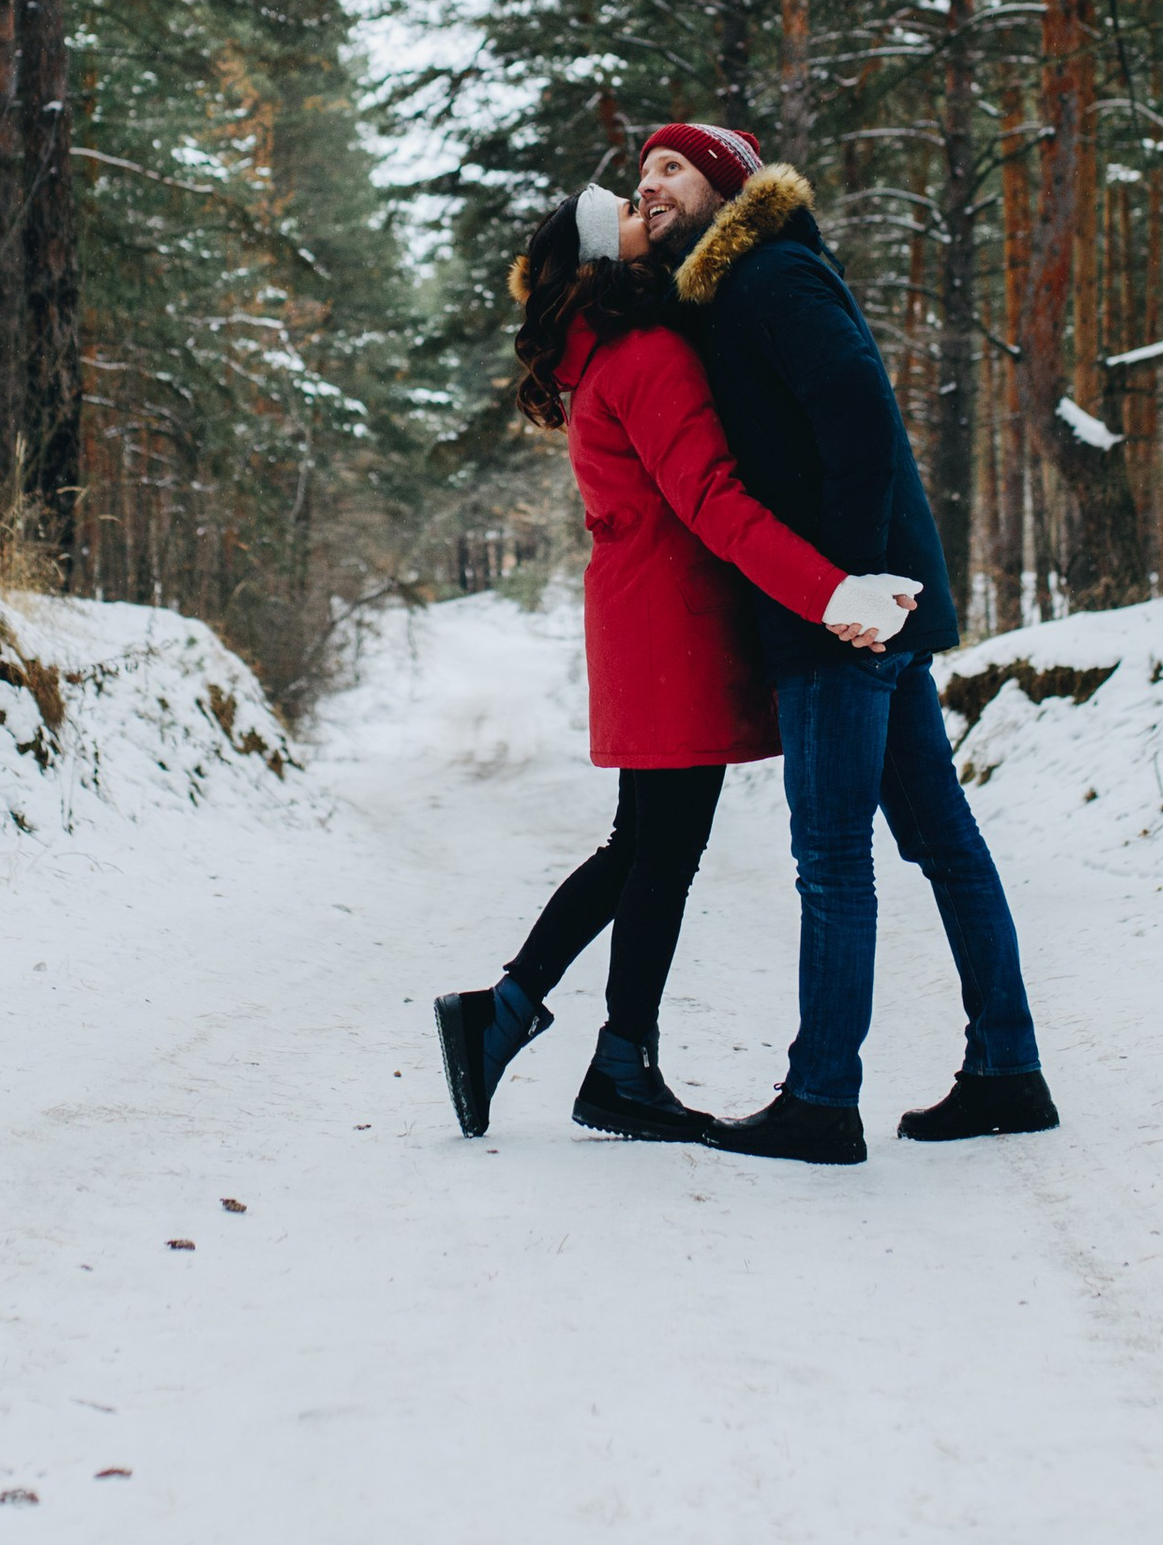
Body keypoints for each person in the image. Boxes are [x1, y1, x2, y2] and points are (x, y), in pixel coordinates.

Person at [434, 184, 919, 1146]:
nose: (648, 217)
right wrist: (831, 590)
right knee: (659, 847)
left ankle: (544, 1027)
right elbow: (716, 503)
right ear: (599, 263)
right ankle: (590, 1047)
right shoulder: (647, 357)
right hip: (674, 623)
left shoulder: (610, 354)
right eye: (627, 216)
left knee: (648, 845)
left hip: (647, 616)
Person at [633, 121, 1060, 1168]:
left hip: (843, 610)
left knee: (831, 859)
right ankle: (1007, 1067)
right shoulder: (724, 296)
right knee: (941, 841)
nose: (648, 185)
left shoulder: (773, 275)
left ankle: (821, 1097)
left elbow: (861, 419)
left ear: (726, 186)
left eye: (672, 169)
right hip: (853, 604)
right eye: (639, 173)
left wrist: (854, 591)